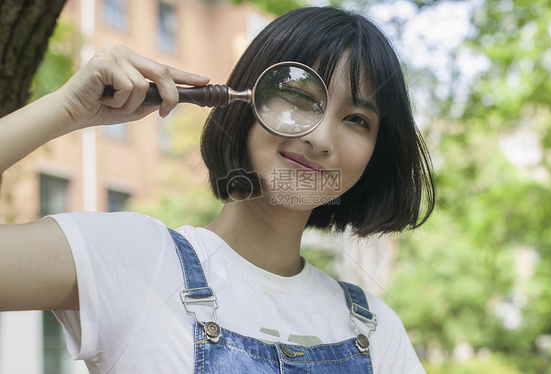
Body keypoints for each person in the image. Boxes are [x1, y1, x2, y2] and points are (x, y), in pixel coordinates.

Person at [0, 6, 434, 374]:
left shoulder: (375, 330)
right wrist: (65, 110)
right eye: (300, 98)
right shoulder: (133, 259)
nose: (320, 137)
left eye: (357, 119)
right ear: (245, 97)